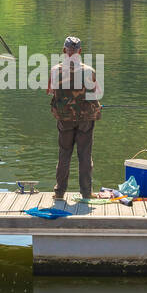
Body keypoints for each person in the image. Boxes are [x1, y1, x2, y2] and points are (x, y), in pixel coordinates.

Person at [47, 36, 101, 201]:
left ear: (64, 50)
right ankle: (86, 192)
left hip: (64, 120)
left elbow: (50, 91)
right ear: (80, 51)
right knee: (85, 154)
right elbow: (97, 93)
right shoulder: (89, 71)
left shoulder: (56, 70)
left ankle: (59, 192)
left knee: (64, 154)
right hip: (85, 120)